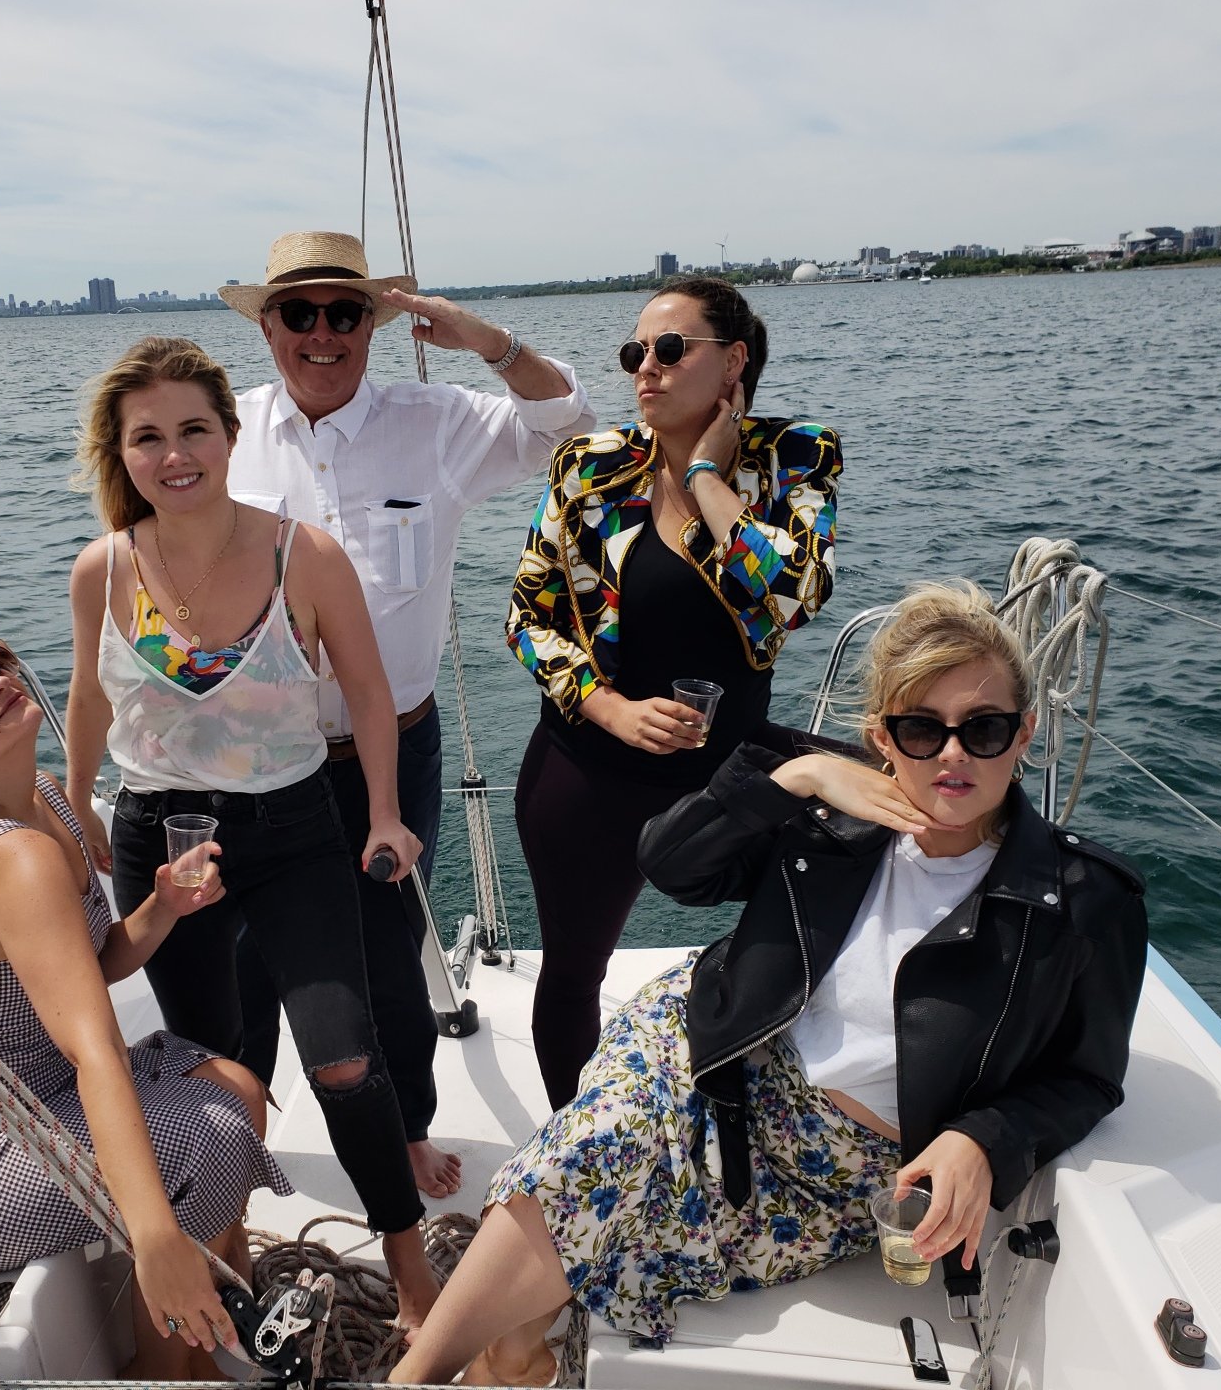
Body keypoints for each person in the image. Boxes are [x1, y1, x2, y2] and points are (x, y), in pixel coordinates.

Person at [393, 581, 1149, 1386]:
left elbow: (1089, 1078)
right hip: (718, 1038)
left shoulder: (1083, 900)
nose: (953, 754)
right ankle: (418, 1380)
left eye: (985, 728)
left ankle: (510, 1357)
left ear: (1025, 732)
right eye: (921, 729)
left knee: (621, 1214)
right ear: (881, 736)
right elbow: (670, 865)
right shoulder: (832, 815)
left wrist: (985, 1138)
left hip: (840, 1167)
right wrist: (798, 779)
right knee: (591, 1150)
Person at [62, 335, 441, 1325]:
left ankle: (409, 1267)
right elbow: (89, 703)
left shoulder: (300, 555)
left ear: (233, 436)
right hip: (161, 838)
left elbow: (365, 689)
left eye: (194, 428)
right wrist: (75, 816)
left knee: (346, 1058)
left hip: (295, 832)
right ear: (122, 451)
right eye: (149, 437)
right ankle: (228, 1252)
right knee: (217, 1068)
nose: (174, 453)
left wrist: (390, 814)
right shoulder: (102, 570)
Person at [217, 229, 595, 1197]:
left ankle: (406, 1132)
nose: (323, 333)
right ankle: (238, 1136)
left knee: (389, 952)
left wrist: (487, 342)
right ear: (267, 329)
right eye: (299, 313)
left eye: (346, 313)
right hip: (261, 754)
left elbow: (568, 426)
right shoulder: (224, 438)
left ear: (377, 326)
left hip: (397, 749)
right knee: (246, 953)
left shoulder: (436, 422)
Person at [0, 632, 289, 1382]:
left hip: (35, 1102)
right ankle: (171, 1369)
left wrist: (162, 906)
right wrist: (154, 1240)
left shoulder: (48, 797)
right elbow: (94, 1051)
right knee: (204, 1137)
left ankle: (216, 1331)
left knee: (236, 1091)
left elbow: (94, 960)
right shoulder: (8, 857)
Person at [505, 276, 842, 1110]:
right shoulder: (589, 469)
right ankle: (572, 1155)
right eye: (634, 354)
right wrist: (611, 707)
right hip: (588, 767)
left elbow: (795, 595)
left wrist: (703, 477)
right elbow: (526, 617)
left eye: (667, 350)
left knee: (799, 947)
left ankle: (768, 1122)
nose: (643, 370)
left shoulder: (794, 456)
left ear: (733, 362)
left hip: (728, 777)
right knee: (573, 972)